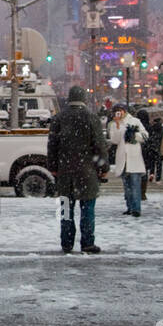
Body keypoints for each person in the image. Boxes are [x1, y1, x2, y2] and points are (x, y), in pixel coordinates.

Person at [47, 85, 106, 254]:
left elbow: (52, 145)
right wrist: (103, 167)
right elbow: (99, 146)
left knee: (66, 209)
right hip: (87, 172)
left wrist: (53, 167)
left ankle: (66, 242)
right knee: (87, 209)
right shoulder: (92, 118)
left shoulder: (58, 119)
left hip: (65, 172)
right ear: (84, 99)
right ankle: (87, 243)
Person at [107, 104, 148, 216]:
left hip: (134, 157)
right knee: (127, 186)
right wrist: (116, 124)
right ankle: (130, 207)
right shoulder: (114, 124)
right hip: (122, 158)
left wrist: (134, 135)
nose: (118, 114)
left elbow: (145, 136)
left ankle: (136, 209)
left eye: (120, 111)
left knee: (135, 184)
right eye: (116, 112)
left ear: (124, 111)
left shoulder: (135, 121)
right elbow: (114, 140)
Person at [145, 113, 163, 183]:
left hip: (152, 148)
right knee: (159, 164)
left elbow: (148, 137)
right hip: (159, 148)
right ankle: (158, 179)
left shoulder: (151, 128)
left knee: (152, 164)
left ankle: (151, 175)